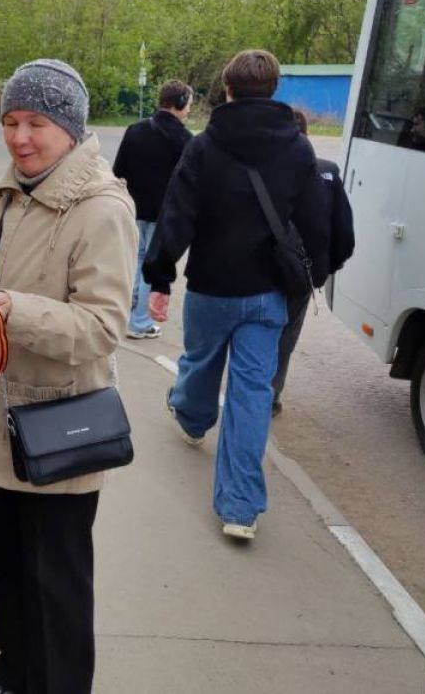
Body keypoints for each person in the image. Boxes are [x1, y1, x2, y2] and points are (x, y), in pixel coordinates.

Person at [0, 59, 137, 694]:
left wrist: (15, 313)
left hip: (56, 430)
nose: (20, 137)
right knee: (6, 569)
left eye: (36, 123)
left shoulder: (100, 210)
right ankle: (15, 675)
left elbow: (103, 326)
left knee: (54, 585)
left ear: (69, 127)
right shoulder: (4, 193)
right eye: (9, 121)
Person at [143, 50, 328, 541]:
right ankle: (240, 509)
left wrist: (159, 276)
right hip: (267, 294)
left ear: (227, 89)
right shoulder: (297, 149)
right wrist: (316, 274)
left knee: (201, 364)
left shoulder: (204, 146)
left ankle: (193, 417)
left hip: (210, 286)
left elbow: (176, 214)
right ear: (273, 89)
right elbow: (314, 221)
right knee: (251, 393)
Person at [271, 108, 355, 414]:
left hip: (263, 271)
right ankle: (270, 394)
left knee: (257, 332)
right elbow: (343, 232)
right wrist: (324, 268)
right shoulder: (328, 171)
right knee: (286, 336)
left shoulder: (265, 170)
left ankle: (251, 392)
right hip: (302, 273)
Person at [111, 79, 194, 339]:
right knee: (151, 264)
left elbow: (118, 171)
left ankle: (126, 316)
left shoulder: (135, 130)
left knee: (134, 261)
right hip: (165, 215)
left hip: (134, 209)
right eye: (189, 103)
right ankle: (139, 322)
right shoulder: (186, 140)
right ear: (180, 103)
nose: (190, 109)